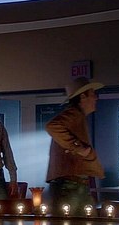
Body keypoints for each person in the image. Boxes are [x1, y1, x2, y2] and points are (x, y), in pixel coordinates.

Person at [45, 77, 106, 216]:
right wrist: (79, 148)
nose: (96, 98)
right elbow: (52, 126)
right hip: (70, 185)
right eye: (92, 94)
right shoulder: (75, 113)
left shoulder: (77, 115)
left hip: (74, 185)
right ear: (83, 96)